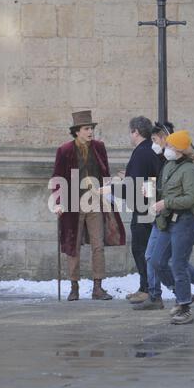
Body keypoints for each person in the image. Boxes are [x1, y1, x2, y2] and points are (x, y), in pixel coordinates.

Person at [52, 111, 126, 301]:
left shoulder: (99, 148)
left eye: (91, 128)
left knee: (98, 245)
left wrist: (109, 190)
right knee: (73, 245)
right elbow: (58, 178)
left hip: (95, 202)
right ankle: (74, 287)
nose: (90, 131)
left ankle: (98, 287)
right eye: (86, 129)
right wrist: (59, 203)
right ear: (77, 131)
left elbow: (105, 173)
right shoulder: (65, 150)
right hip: (73, 204)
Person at [149, 130, 194, 324]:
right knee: (157, 261)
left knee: (178, 263)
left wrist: (166, 203)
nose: (166, 148)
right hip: (168, 221)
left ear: (179, 149)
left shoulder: (191, 170)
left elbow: (191, 199)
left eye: (169, 146)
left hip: (186, 222)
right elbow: (164, 189)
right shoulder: (170, 165)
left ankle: (184, 307)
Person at [100, 116, 160, 304]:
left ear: (136, 131)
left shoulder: (141, 152)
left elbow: (135, 186)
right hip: (149, 205)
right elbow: (145, 178)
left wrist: (110, 189)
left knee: (141, 250)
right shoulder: (150, 149)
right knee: (147, 250)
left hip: (144, 209)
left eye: (131, 131)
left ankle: (148, 289)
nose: (130, 135)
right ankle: (148, 287)